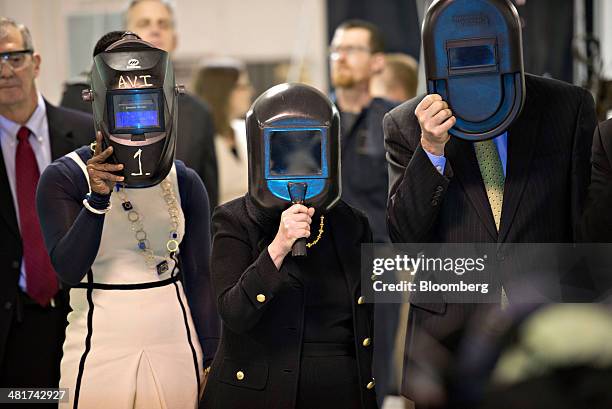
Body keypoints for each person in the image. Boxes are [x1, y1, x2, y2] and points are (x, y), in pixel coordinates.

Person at [385, 3, 597, 408]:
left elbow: (583, 228)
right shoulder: (407, 124)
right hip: (449, 337)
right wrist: (431, 149)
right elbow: (405, 237)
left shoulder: (567, 107)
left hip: (545, 331)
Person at [36, 31, 219, 408]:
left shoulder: (184, 179)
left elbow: (200, 275)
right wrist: (97, 199)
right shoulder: (64, 176)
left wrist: (213, 356)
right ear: (99, 99)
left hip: (175, 335)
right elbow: (67, 269)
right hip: (100, 335)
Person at [201, 83, 377, 409]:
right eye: (283, 152)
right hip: (260, 393)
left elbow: (370, 316)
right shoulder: (234, 220)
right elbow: (234, 313)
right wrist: (278, 247)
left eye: (310, 150)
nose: (298, 163)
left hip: (340, 393)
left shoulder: (352, 223)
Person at [0, 17, 94, 398]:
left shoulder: (86, 134)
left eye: (14, 57)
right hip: (14, 329)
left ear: (35, 63)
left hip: (81, 316)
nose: (5, 70)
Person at [60, 0, 220, 209]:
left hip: (177, 231)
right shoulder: (81, 102)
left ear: (175, 39)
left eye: (163, 24)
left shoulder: (199, 113)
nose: (155, 30)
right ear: (125, 34)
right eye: (145, 23)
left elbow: (208, 197)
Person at [329, 19, 395, 243]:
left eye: (352, 49)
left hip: (380, 255)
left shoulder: (394, 121)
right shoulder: (313, 120)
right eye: (336, 49)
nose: (341, 57)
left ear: (377, 62)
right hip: (323, 256)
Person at [193, 58, 253, 204]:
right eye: (242, 87)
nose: (251, 91)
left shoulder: (246, 129)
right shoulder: (198, 138)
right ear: (220, 91)